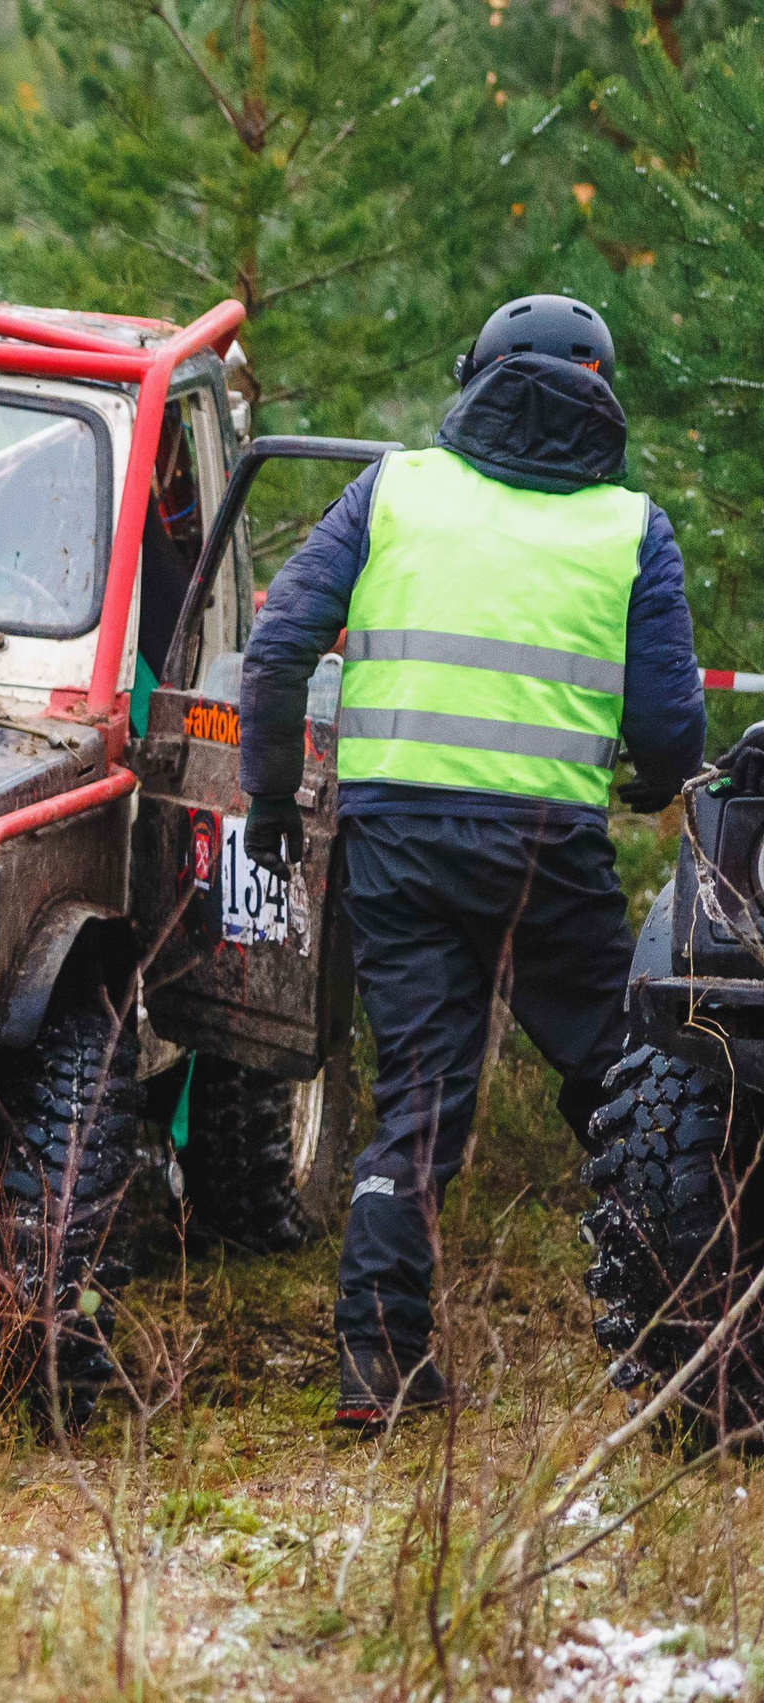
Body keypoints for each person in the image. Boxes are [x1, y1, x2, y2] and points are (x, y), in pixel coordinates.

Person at [238, 294, 706, 1428]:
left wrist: (268, 796)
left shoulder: (393, 489)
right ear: (603, 393)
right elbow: (668, 724)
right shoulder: (629, 526)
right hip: (546, 853)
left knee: (417, 1098)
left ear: (475, 378)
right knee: (627, 1078)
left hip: (395, 842)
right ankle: (693, 1326)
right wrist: (653, 778)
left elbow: (278, 645)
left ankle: (377, 1364)